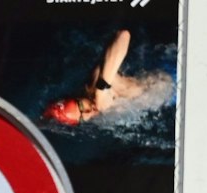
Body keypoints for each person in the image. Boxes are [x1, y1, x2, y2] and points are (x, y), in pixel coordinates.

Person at [41, 30, 175, 127]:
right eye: (82, 117)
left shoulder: (96, 82)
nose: (88, 112)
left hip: (171, 82)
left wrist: (102, 88)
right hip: (165, 98)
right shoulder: (96, 114)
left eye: (82, 106)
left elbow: (123, 36)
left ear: (77, 97)